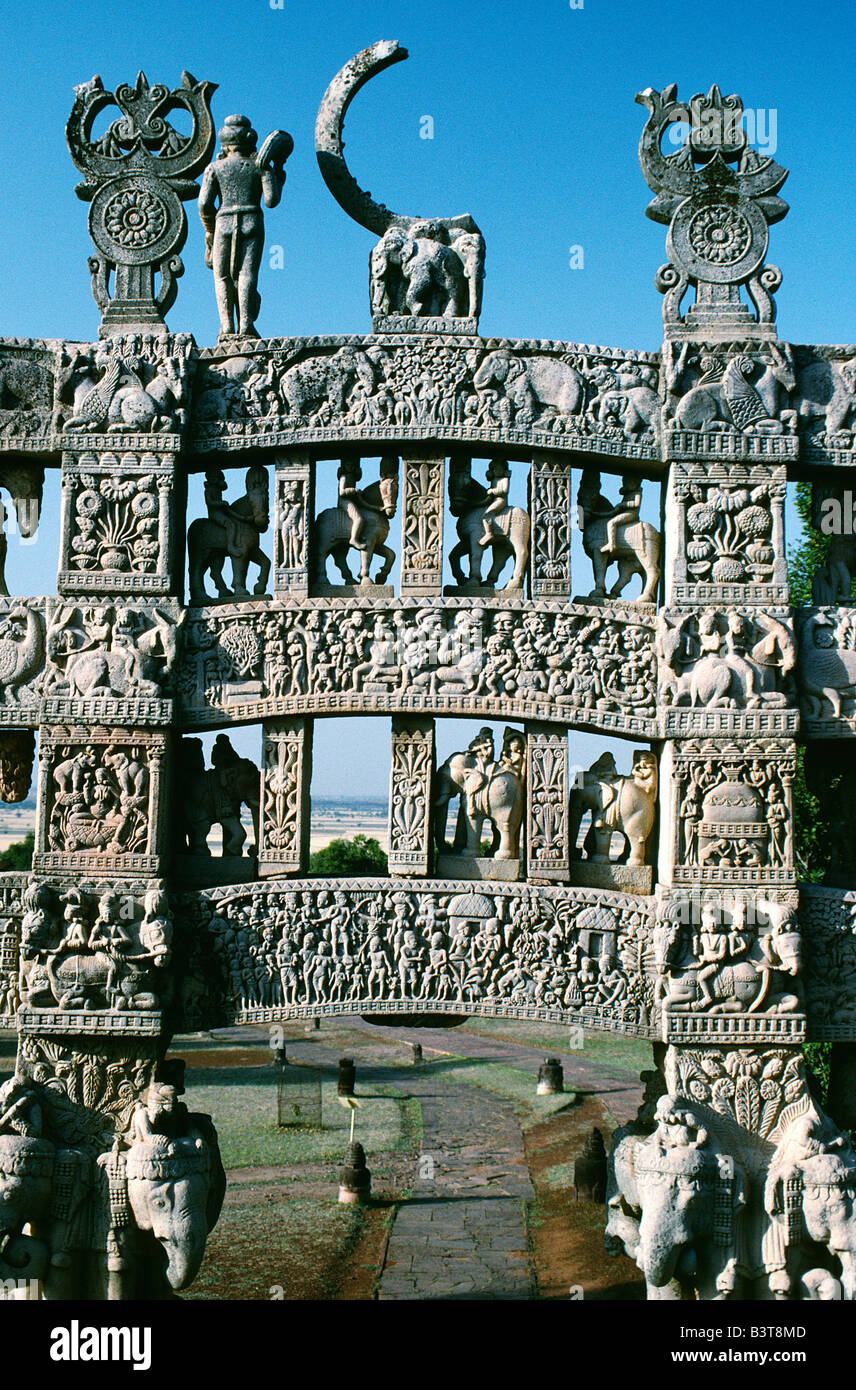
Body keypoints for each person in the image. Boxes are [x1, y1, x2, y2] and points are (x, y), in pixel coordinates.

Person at [198, 114, 291, 337]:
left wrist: (209, 231)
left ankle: (227, 326)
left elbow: (204, 204)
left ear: (225, 144)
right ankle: (246, 325)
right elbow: (271, 200)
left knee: (222, 277)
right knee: (247, 274)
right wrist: (276, 171)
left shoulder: (215, 168)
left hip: (223, 222)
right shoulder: (260, 166)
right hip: (252, 219)